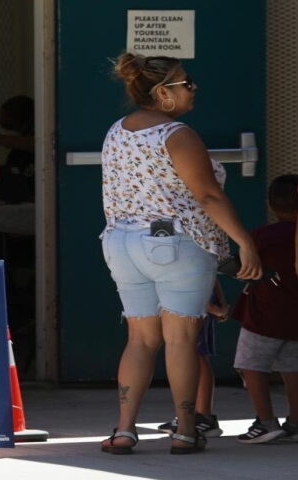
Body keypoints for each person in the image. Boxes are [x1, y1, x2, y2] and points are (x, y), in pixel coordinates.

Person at [98, 53, 261, 455]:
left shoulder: (117, 130)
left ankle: (123, 430)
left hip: (121, 243)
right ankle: (186, 429)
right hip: (173, 244)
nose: (193, 88)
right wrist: (243, 242)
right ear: (163, 93)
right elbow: (207, 196)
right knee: (181, 340)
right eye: (186, 83)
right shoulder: (178, 134)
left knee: (139, 340)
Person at [230, 174, 298, 444]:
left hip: (263, 318)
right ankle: (297, 421)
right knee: (295, 370)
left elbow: (243, 266)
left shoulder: (263, 235)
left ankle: (266, 421)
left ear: (271, 204)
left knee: (251, 366)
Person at [157, 280, 228, 438]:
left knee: (196, 355)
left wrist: (211, 304)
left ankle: (203, 416)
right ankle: (193, 415)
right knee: (193, 354)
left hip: (195, 300)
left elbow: (208, 270)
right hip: (189, 298)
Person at [0, 95, 34, 203]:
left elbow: (36, 144)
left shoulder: (39, 143)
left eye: (8, 126)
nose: (6, 131)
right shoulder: (16, 154)